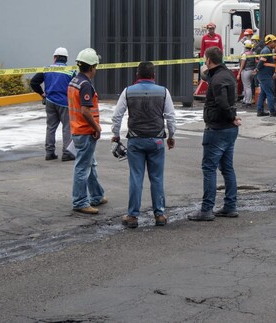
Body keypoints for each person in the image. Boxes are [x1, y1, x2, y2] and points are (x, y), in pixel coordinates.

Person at [111, 61, 176, 229]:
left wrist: (116, 135)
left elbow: (117, 115)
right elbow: (170, 117)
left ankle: (132, 216)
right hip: (157, 140)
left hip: (135, 140)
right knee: (157, 178)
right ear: (153, 76)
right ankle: (160, 214)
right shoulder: (163, 92)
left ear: (137, 76)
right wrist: (171, 136)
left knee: (136, 178)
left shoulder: (128, 92)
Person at [188, 47, 242, 221]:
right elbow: (209, 76)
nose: (204, 62)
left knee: (209, 168)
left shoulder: (218, 80)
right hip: (229, 130)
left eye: (205, 60)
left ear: (209, 61)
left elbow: (221, 103)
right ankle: (230, 206)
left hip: (217, 128)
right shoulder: (226, 75)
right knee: (227, 168)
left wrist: (232, 116)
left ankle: (206, 209)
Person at [67, 48, 106, 214]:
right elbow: (85, 110)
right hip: (85, 132)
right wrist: (97, 127)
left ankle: (96, 195)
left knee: (91, 165)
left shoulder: (74, 81)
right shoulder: (85, 85)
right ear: (92, 68)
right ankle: (80, 202)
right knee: (83, 168)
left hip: (78, 130)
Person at [30, 47, 75, 161]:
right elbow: (76, 87)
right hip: (65, 103)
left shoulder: (46, 69)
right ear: (66, 59)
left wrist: (42, 93)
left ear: (55, 58)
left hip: (50, 102)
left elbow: (33, 82)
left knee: (50, 128)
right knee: (67, 128)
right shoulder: (71, 71)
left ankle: (49, 152)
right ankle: (67, 153)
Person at [255, 34, 276, 117]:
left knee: (263, 94)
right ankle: (273, 111)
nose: (275, 43)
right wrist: (257, 69)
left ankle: (260, 111)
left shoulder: (267, 50)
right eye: (274, 42)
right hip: (265, 76)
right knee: (270, 93)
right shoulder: (266, 51)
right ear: (269, 42)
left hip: (265, 75)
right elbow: (261, 63)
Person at [238, 39, 256, 107]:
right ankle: (246, 100)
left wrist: (239, 73)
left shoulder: (244, 55)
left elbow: (242, 65)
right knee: (249, 86)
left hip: (246, 71)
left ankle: (247, 101)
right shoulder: (253, 53)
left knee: (246, 87)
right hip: (252, 71)